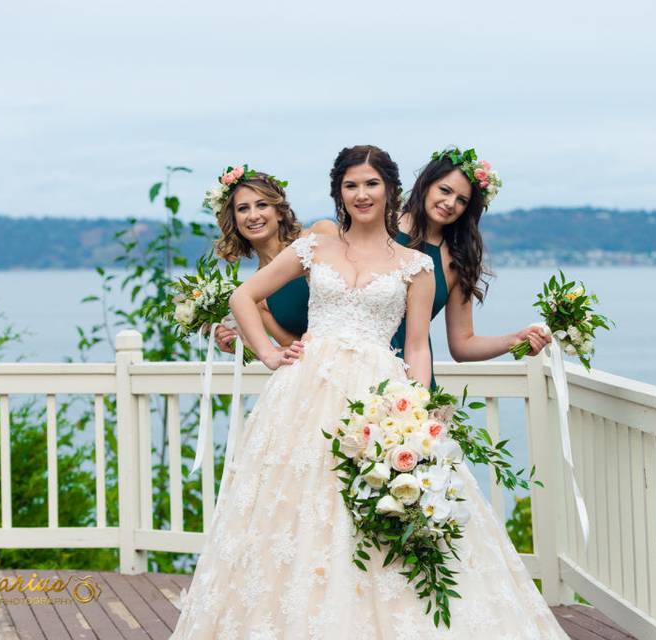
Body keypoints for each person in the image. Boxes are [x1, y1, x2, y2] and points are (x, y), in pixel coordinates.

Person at [170, 145, 568, 639]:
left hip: (380, 395)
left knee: (376, 515)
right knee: (300, 512)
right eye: (352, 185)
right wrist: (269, 355)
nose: (362, 194)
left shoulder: (416, 266)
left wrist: (417, 416)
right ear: (339, 191)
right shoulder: (315, 244)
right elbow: (242, 296)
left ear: (390, 190)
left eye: (372, 184)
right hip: (305, 396)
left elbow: (420, 348)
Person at [391, 148, 550, 388]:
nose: (450, 203)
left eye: (461, 200)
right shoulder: (380, 227)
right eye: (444, 190)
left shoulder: (456, 260)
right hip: (355, 369)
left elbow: (462, 344)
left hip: (412, 384)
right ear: (426, 184)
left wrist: (514, 339)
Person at [204, 165, 336, 354]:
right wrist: (247, 347)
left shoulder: (320, 234)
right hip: (324, 368)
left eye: (262, 205)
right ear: (234, 220)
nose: (253, 216)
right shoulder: (256, 295)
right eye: (243, 209)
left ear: (279, 212)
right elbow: (296, 349)